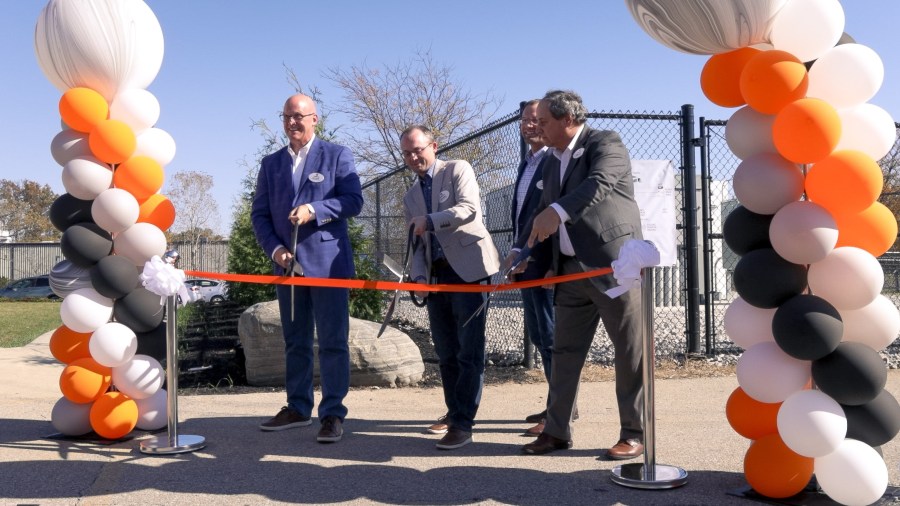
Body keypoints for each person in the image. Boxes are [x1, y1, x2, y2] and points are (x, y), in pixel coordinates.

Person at [518, 90, 645, 460]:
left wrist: (557, 212)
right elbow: (541, 211)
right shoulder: (549, 161)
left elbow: (598, 184)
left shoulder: (605, 143)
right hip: (571, 273)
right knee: (564, 353)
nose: (536, 128)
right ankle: (556, 432)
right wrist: (521, 251)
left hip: (614, 268)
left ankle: (634, 433)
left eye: (543, 121)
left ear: (567, 120)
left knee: (630, 352)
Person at [251, 94, 363, 444]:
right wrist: (276, 250)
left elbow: (353, 201)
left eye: (298, 116)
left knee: (332, 342)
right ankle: (298, 408)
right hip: (288, 268)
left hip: (329, 266)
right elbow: (260, 215)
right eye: (287, 116)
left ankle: (332, 415)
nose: (292, 122)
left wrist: (315, 210)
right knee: (295, 342)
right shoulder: (271, 164)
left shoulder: (337, 155)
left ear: (315, 119)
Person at [401, 125, 500, 450]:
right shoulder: (411, 196)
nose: (413, 157)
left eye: (418, 150)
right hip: (437, 278)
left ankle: (462, 423)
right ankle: (454, 410)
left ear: (434, 146)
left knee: (468, 349)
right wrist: (418, 278)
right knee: (445, 351)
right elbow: (417, 245)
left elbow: (468, 210)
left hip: (470, 271)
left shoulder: (458, 169)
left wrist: (430, 220)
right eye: (407, 153)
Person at [502, 100, 556, 437]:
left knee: (551, 338)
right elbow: (524, 218)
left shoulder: (555, 161)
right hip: (526, 262)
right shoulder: (528, 163)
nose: (529, 125)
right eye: (525, 120)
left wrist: (551, 266)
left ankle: (559, 411)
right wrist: (516, 253)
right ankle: (558, 403)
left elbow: (557, 216)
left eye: (536, 119)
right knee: (539, 335)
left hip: (546, 265)